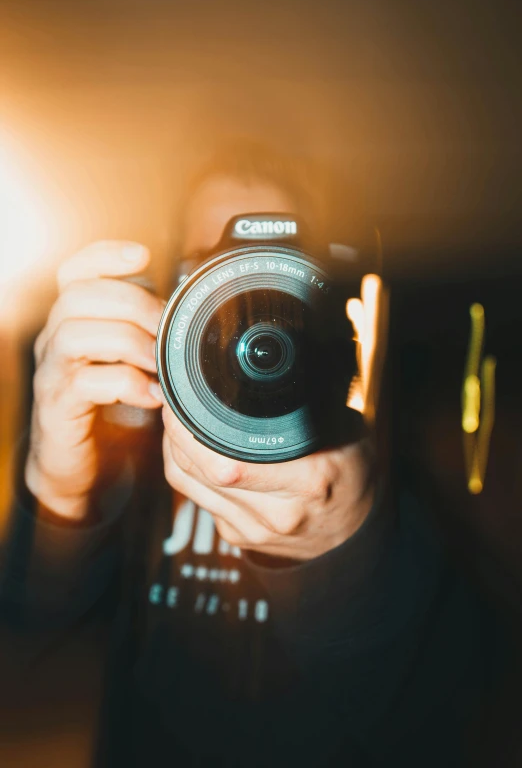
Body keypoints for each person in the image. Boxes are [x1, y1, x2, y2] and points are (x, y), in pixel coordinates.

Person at [0, 145, 514, 767]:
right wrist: (57, 489)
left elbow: (455, 714)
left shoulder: (410, 463)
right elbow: (33, 633)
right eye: (212, 264)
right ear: (170, 292)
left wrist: (347, 553)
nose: (245, 295)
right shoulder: (130, 449)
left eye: (275, 269)